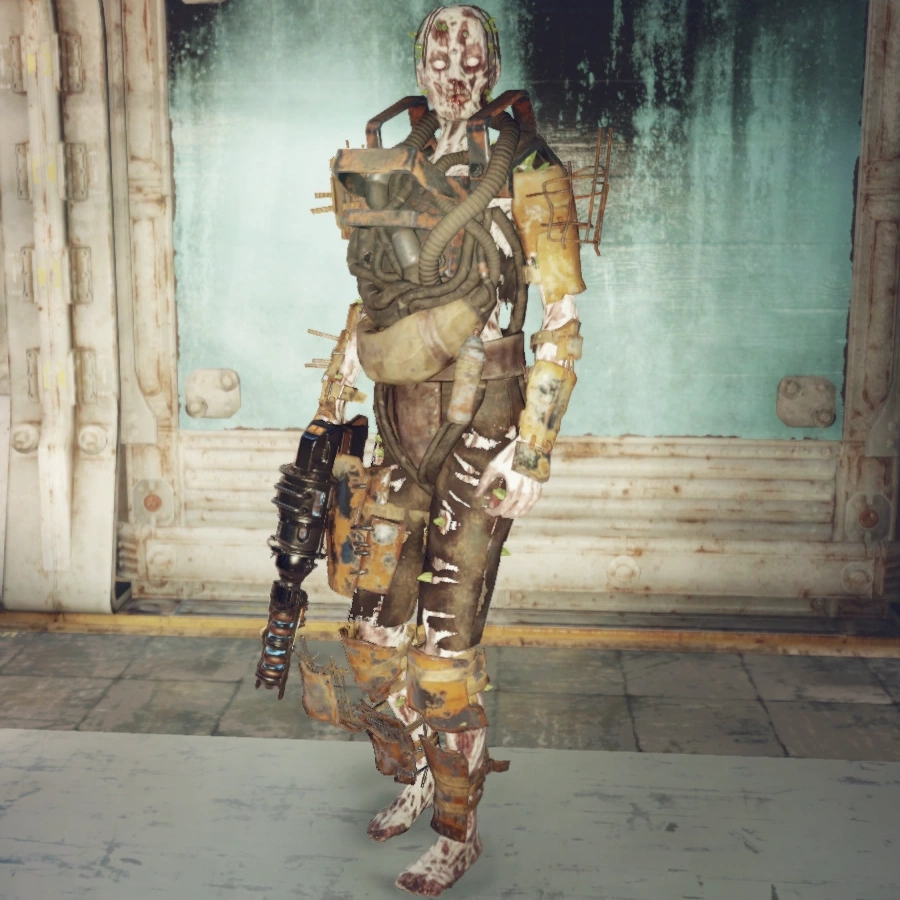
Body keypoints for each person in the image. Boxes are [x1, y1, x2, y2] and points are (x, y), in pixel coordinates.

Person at [303, 6, 586, 895]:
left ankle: (459, 830)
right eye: (439, 51)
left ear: (491, 63)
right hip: (397, 419)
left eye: (470, 53)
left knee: (444, 653)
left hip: (483, 423)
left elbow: (562, 321)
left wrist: (532, 449)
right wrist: (335, 403)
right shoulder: (396, 162)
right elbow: (373, 296)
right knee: (372, 636)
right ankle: (419, 773)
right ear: (420, 63)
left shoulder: (530, 169)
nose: (454, 69)